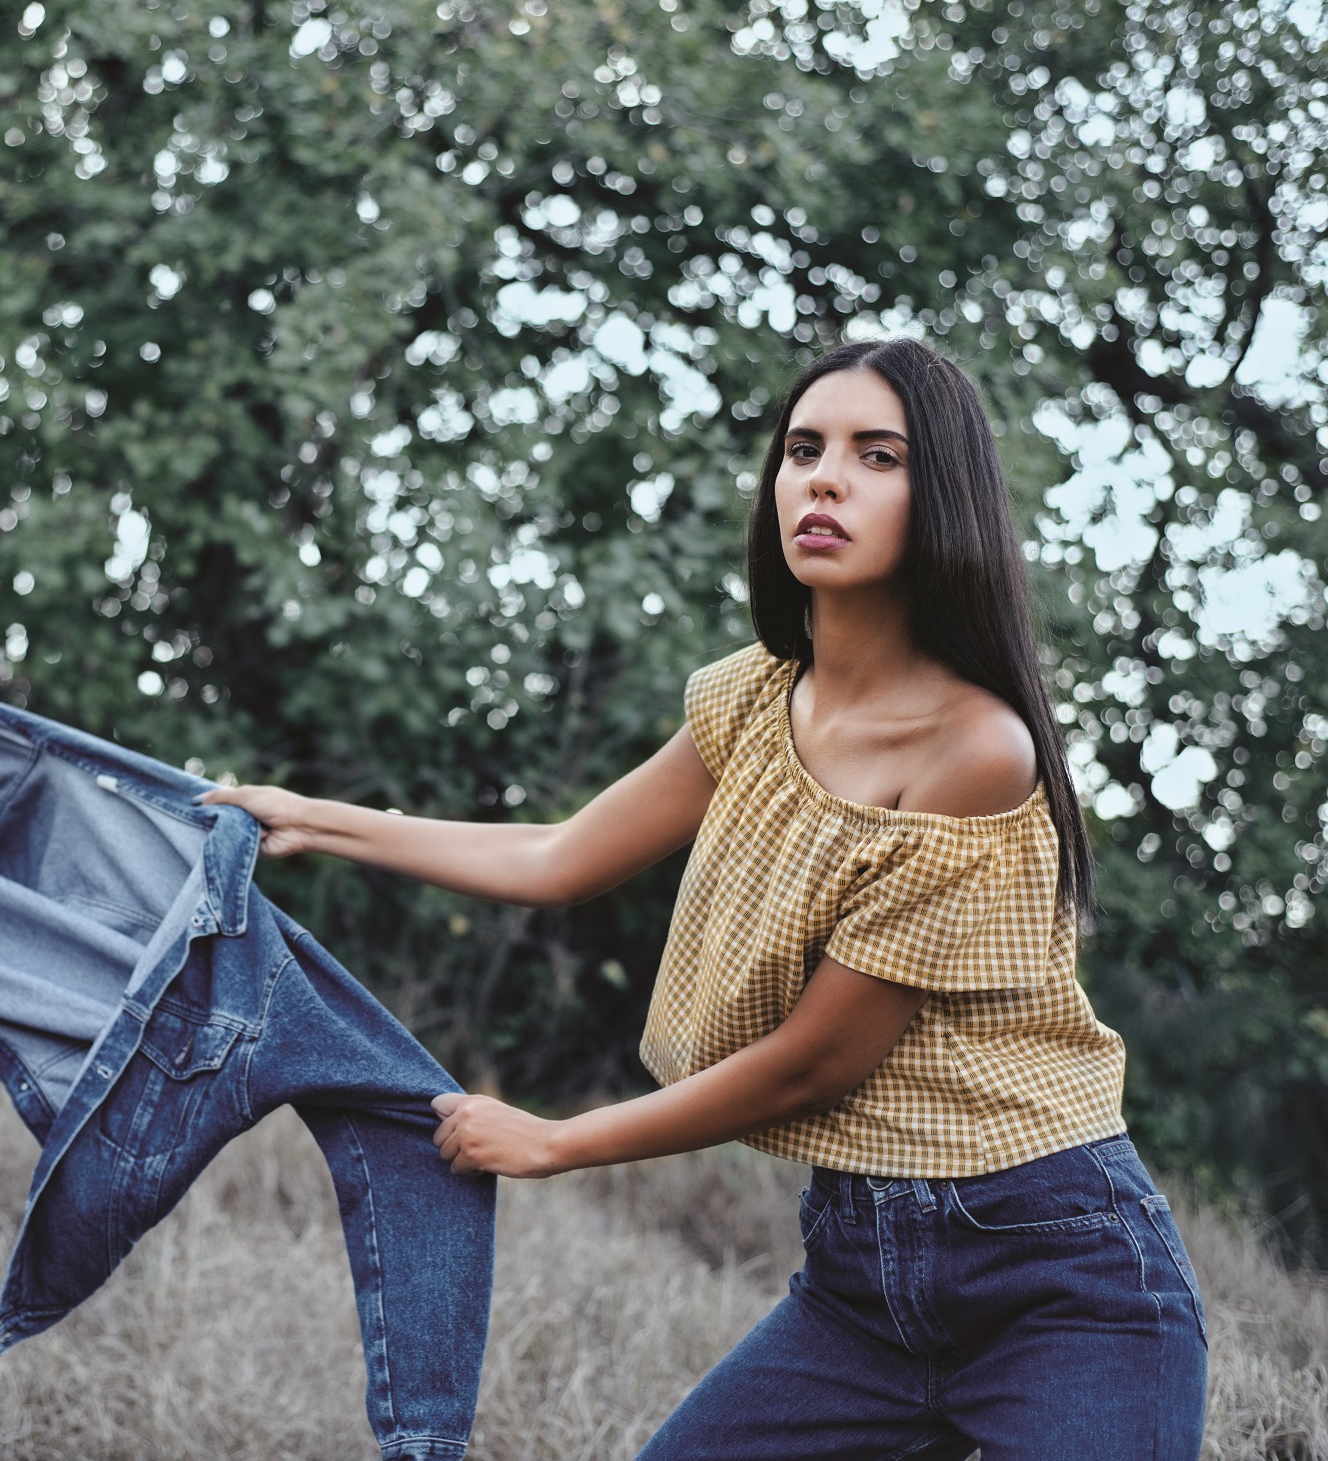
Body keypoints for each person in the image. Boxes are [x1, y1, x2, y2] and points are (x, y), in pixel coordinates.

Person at [207, 339, 1208, 1459]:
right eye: (803, 450)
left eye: (877, 457)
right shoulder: (753, 697)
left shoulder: (977, 747)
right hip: (860, 1281)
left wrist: (554, 1140)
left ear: (946, 502)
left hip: (1057, 1274)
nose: (822, 479)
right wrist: (318, 820)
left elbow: (817, 1060)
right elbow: (561, 856)